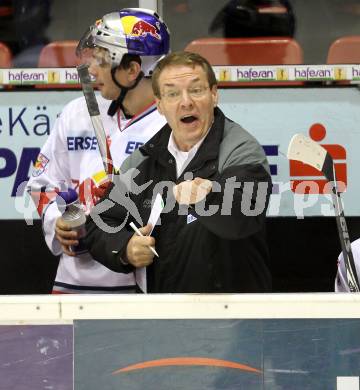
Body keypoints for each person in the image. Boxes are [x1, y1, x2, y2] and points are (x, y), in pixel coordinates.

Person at [85, 51, 272, 293]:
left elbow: (243, 217)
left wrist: (209, 197)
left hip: (231, 320)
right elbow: (100, 223)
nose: (186, 102)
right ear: (160, 105)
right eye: (172, 93)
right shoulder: (145, 158)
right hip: (163, 318)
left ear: (214, 95)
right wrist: (125, 249)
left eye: (196, 90)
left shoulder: (241, 150)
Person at [26, 8, 170, 293]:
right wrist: (57, 222)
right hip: (73, 282)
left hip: (140, 285)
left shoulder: (172, 123)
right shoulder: (76, 112)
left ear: (132, 70)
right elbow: (41, 183)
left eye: (102, 60)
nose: (91, 69)